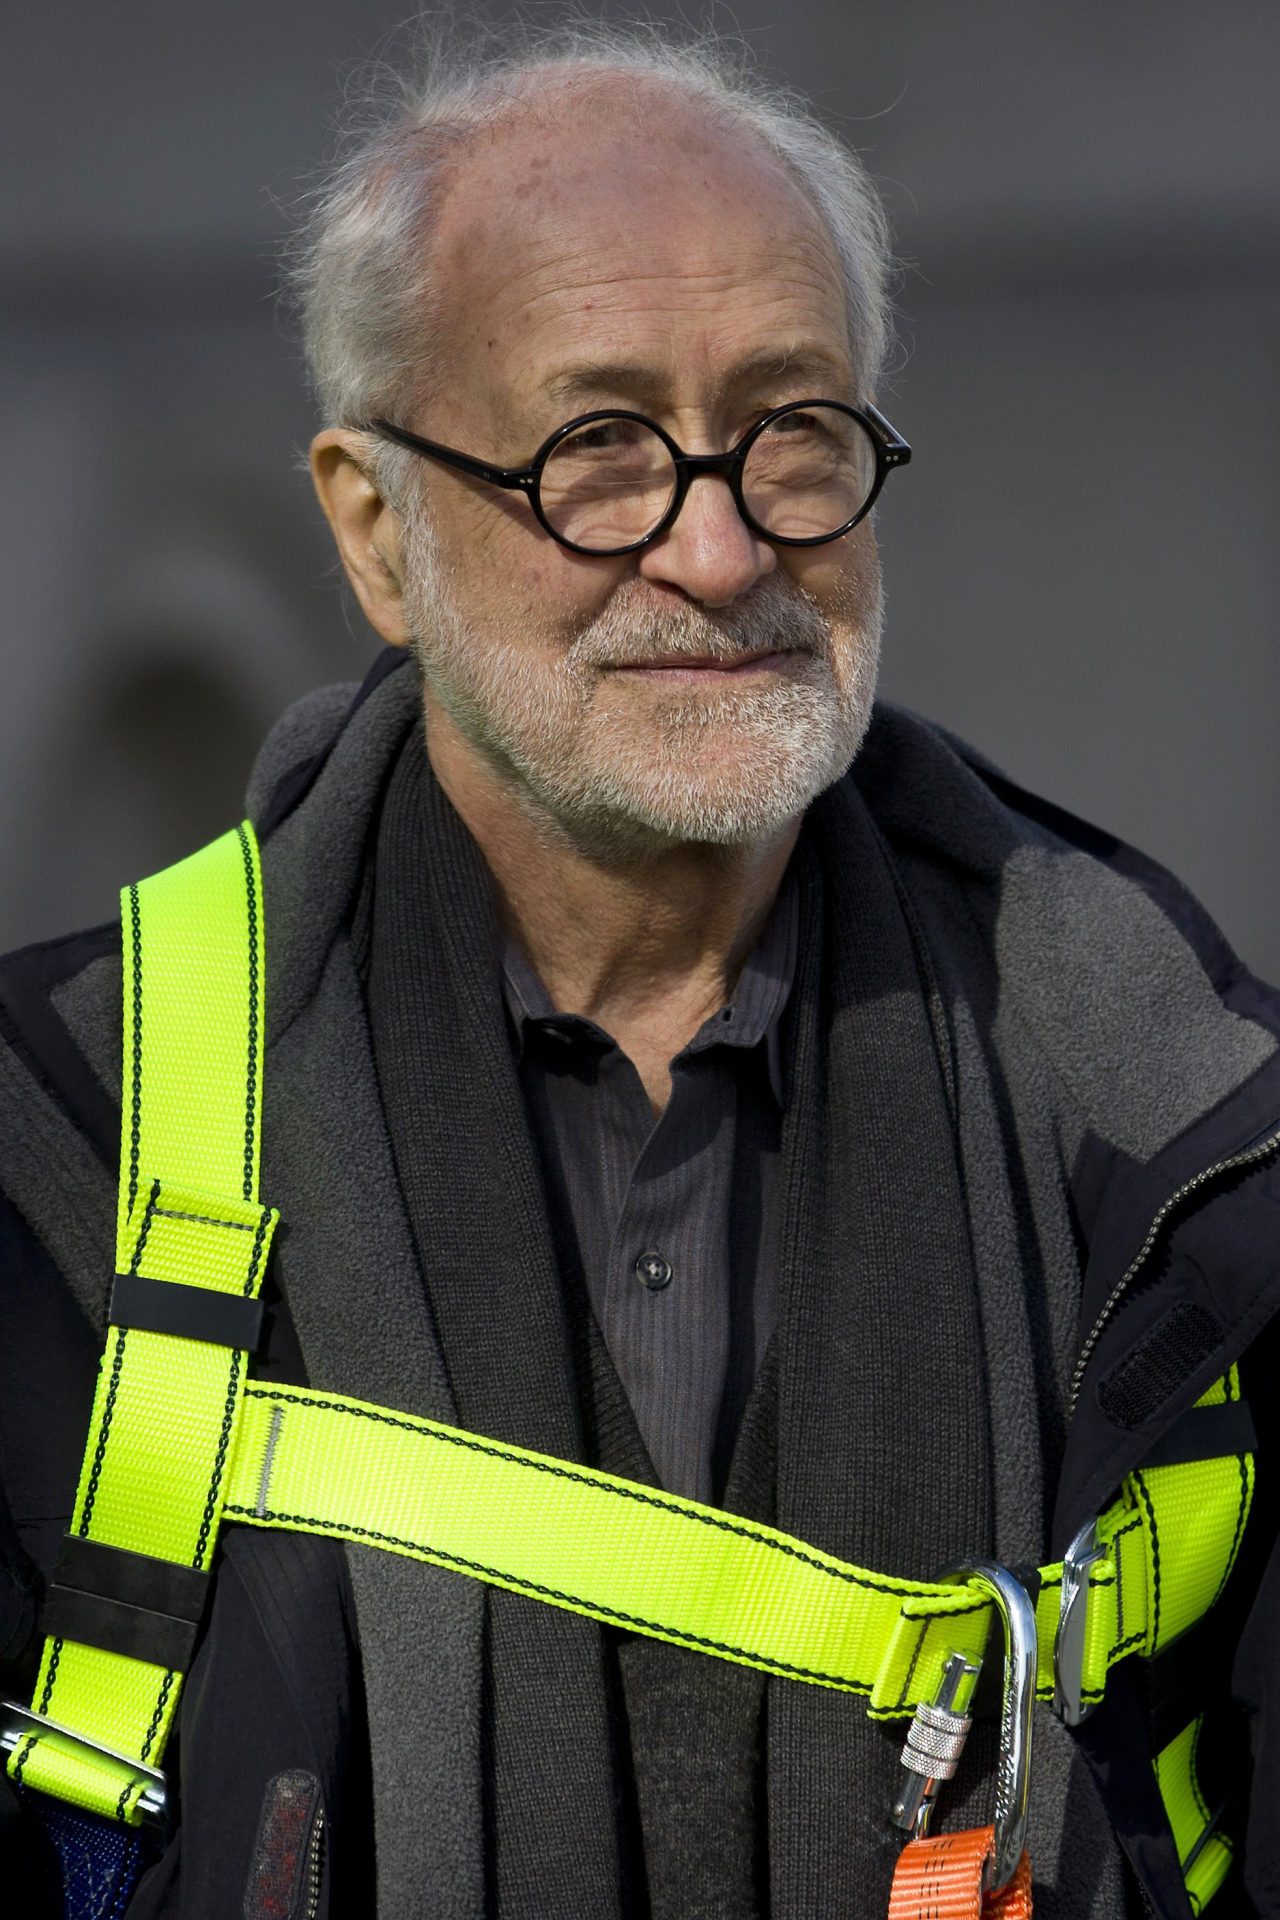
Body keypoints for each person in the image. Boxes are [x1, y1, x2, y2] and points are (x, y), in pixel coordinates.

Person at [1, 22, 1276, 1920]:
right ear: (377, 532)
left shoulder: (1175, 1138)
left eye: (794, 427)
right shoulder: (57, 1151)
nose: (721, 543)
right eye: (597, 450)